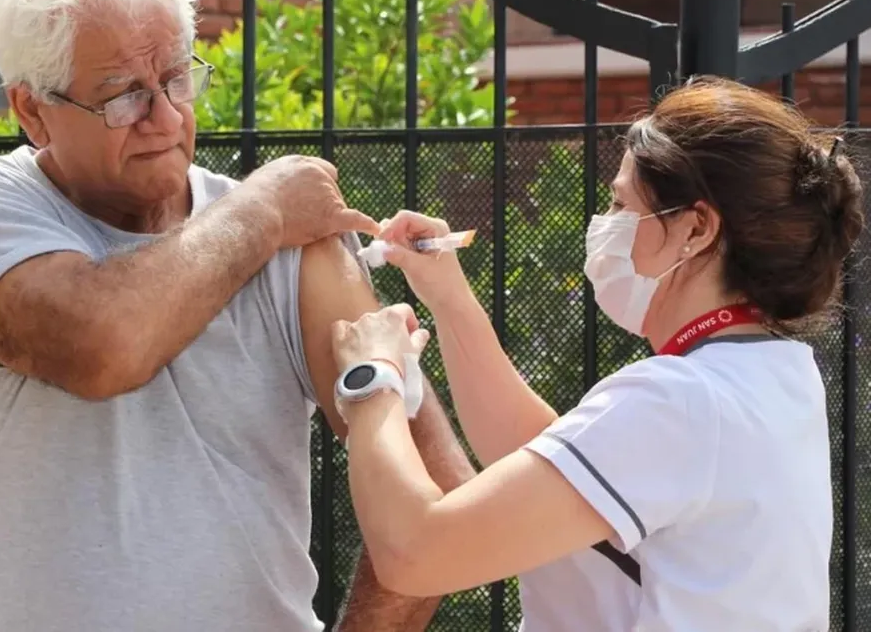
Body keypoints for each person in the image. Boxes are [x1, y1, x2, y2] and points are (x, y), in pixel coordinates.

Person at [0, 0, 476, 632]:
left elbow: (440, 496)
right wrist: (261, 209)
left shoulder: (297, 247)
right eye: (123, 96)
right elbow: (105, 346)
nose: (166, 118)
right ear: (32, 111)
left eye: (175, 77)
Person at [328, 77, 865, 631]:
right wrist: (450, 298)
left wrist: (374, 380)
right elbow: (546, 457)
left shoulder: (680, 399)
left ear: (696, 228)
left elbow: (417, 553)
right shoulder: (772, 372)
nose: (605, 225)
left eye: (621, 204)